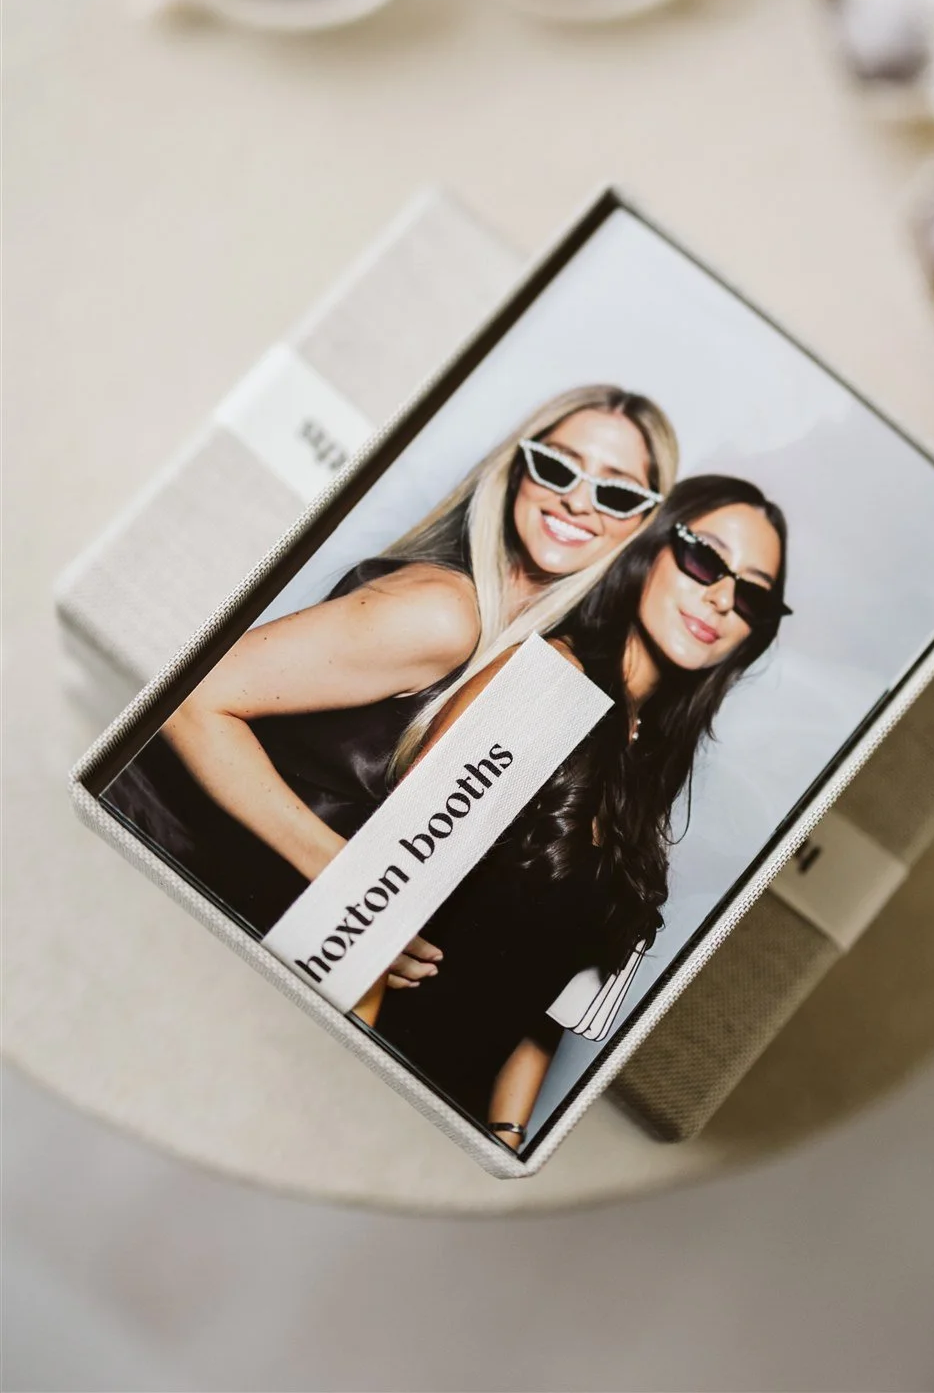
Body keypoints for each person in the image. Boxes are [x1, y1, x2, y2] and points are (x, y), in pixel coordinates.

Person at [105, 386, 678, 930]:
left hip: (218, 901)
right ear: (517, 469)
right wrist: (355, 887)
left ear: (644, 523)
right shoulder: (443, 613)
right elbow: (188, 695)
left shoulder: (538, 649)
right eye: (557, 465)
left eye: (618, 491)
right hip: (143, 861)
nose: (577, 500)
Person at [366, 474, 790, 1148]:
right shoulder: (544, 682)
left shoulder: (646, 763)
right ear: (649, 546)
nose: (721, 596)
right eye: (704, 559)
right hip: (368, 1072)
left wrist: (507, 1135)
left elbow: (547, 999)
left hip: (463, 1124)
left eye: (753, 595)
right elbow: (371, 899)